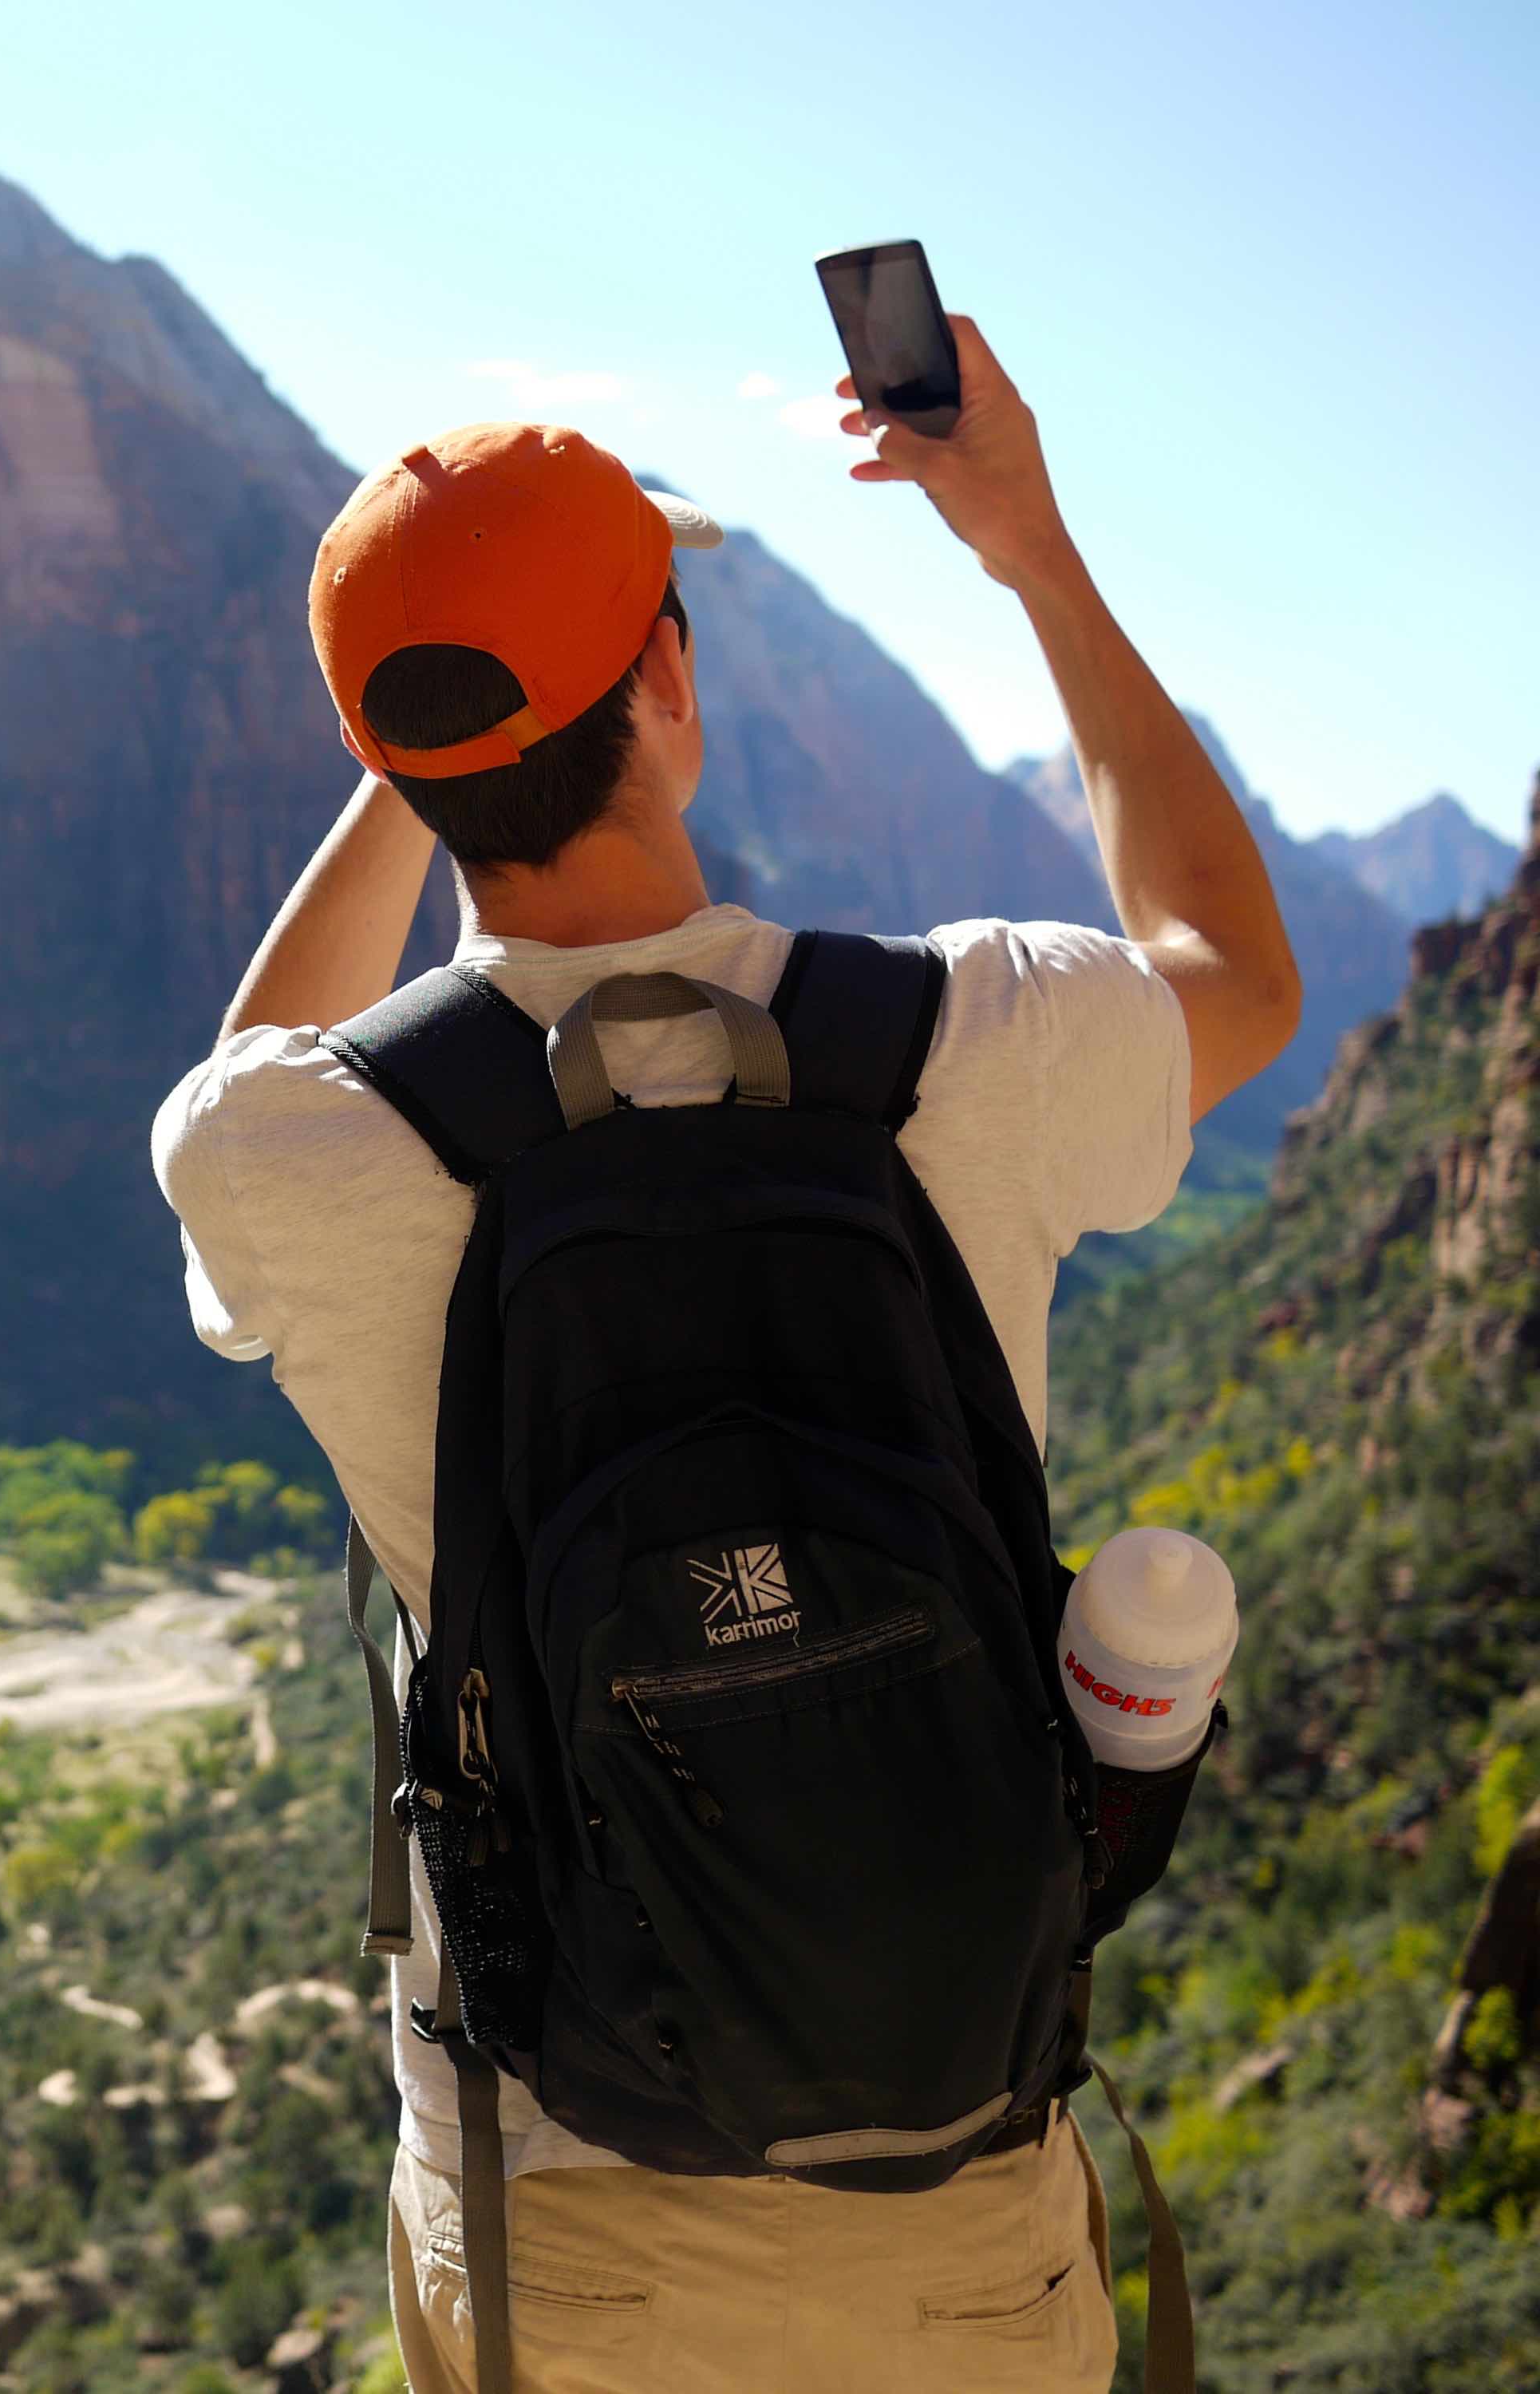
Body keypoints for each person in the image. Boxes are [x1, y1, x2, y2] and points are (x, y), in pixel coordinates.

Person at [148, 315, 1301, 2392]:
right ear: (670, 678)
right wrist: (1023, 542)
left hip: (565, 2214)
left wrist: (425, 765)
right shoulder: (979, 1042)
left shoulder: (295, 1156)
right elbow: (1236, 962)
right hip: (949, 2218)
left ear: (395, 761)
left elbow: (248, 1067)